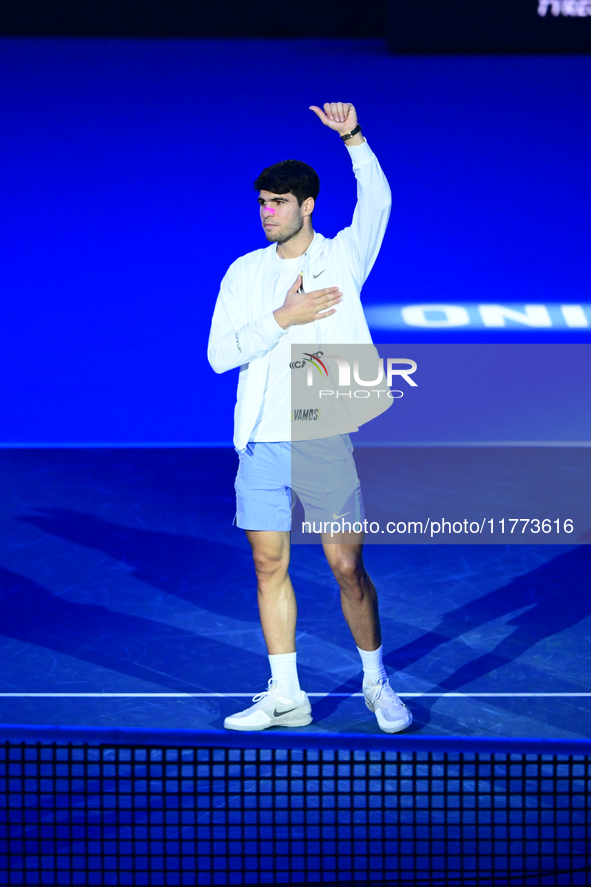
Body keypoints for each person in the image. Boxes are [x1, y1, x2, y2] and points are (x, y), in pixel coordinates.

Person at [207, 102, 412, 734]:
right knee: (270, 564)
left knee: (347, 567)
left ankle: (376, 683)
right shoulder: (244, 273)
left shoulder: (345, 258)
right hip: (262, 438)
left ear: (306, 205)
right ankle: (288, 694)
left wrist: (353, 139)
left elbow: (375, 202)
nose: (266, 212)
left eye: (276, 202)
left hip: (321, 428)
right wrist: (282, 318)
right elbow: (219, 355)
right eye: (262, 203)